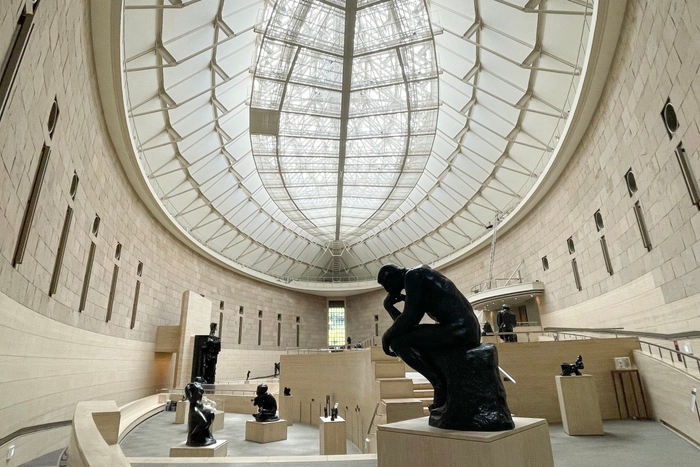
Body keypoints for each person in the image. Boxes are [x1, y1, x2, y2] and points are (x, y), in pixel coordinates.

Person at [377, 264, 480, 412]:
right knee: (400, 338)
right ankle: (440, 383)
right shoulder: (418, 275)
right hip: (464, 329)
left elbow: (409, 319)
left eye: (385, 285)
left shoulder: (413, 276)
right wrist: (389, 307)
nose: (387, 290)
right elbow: (407, 325)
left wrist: (386, 337)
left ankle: (438, 383)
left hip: (460, 329)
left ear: (392, 277)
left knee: (397, 342)